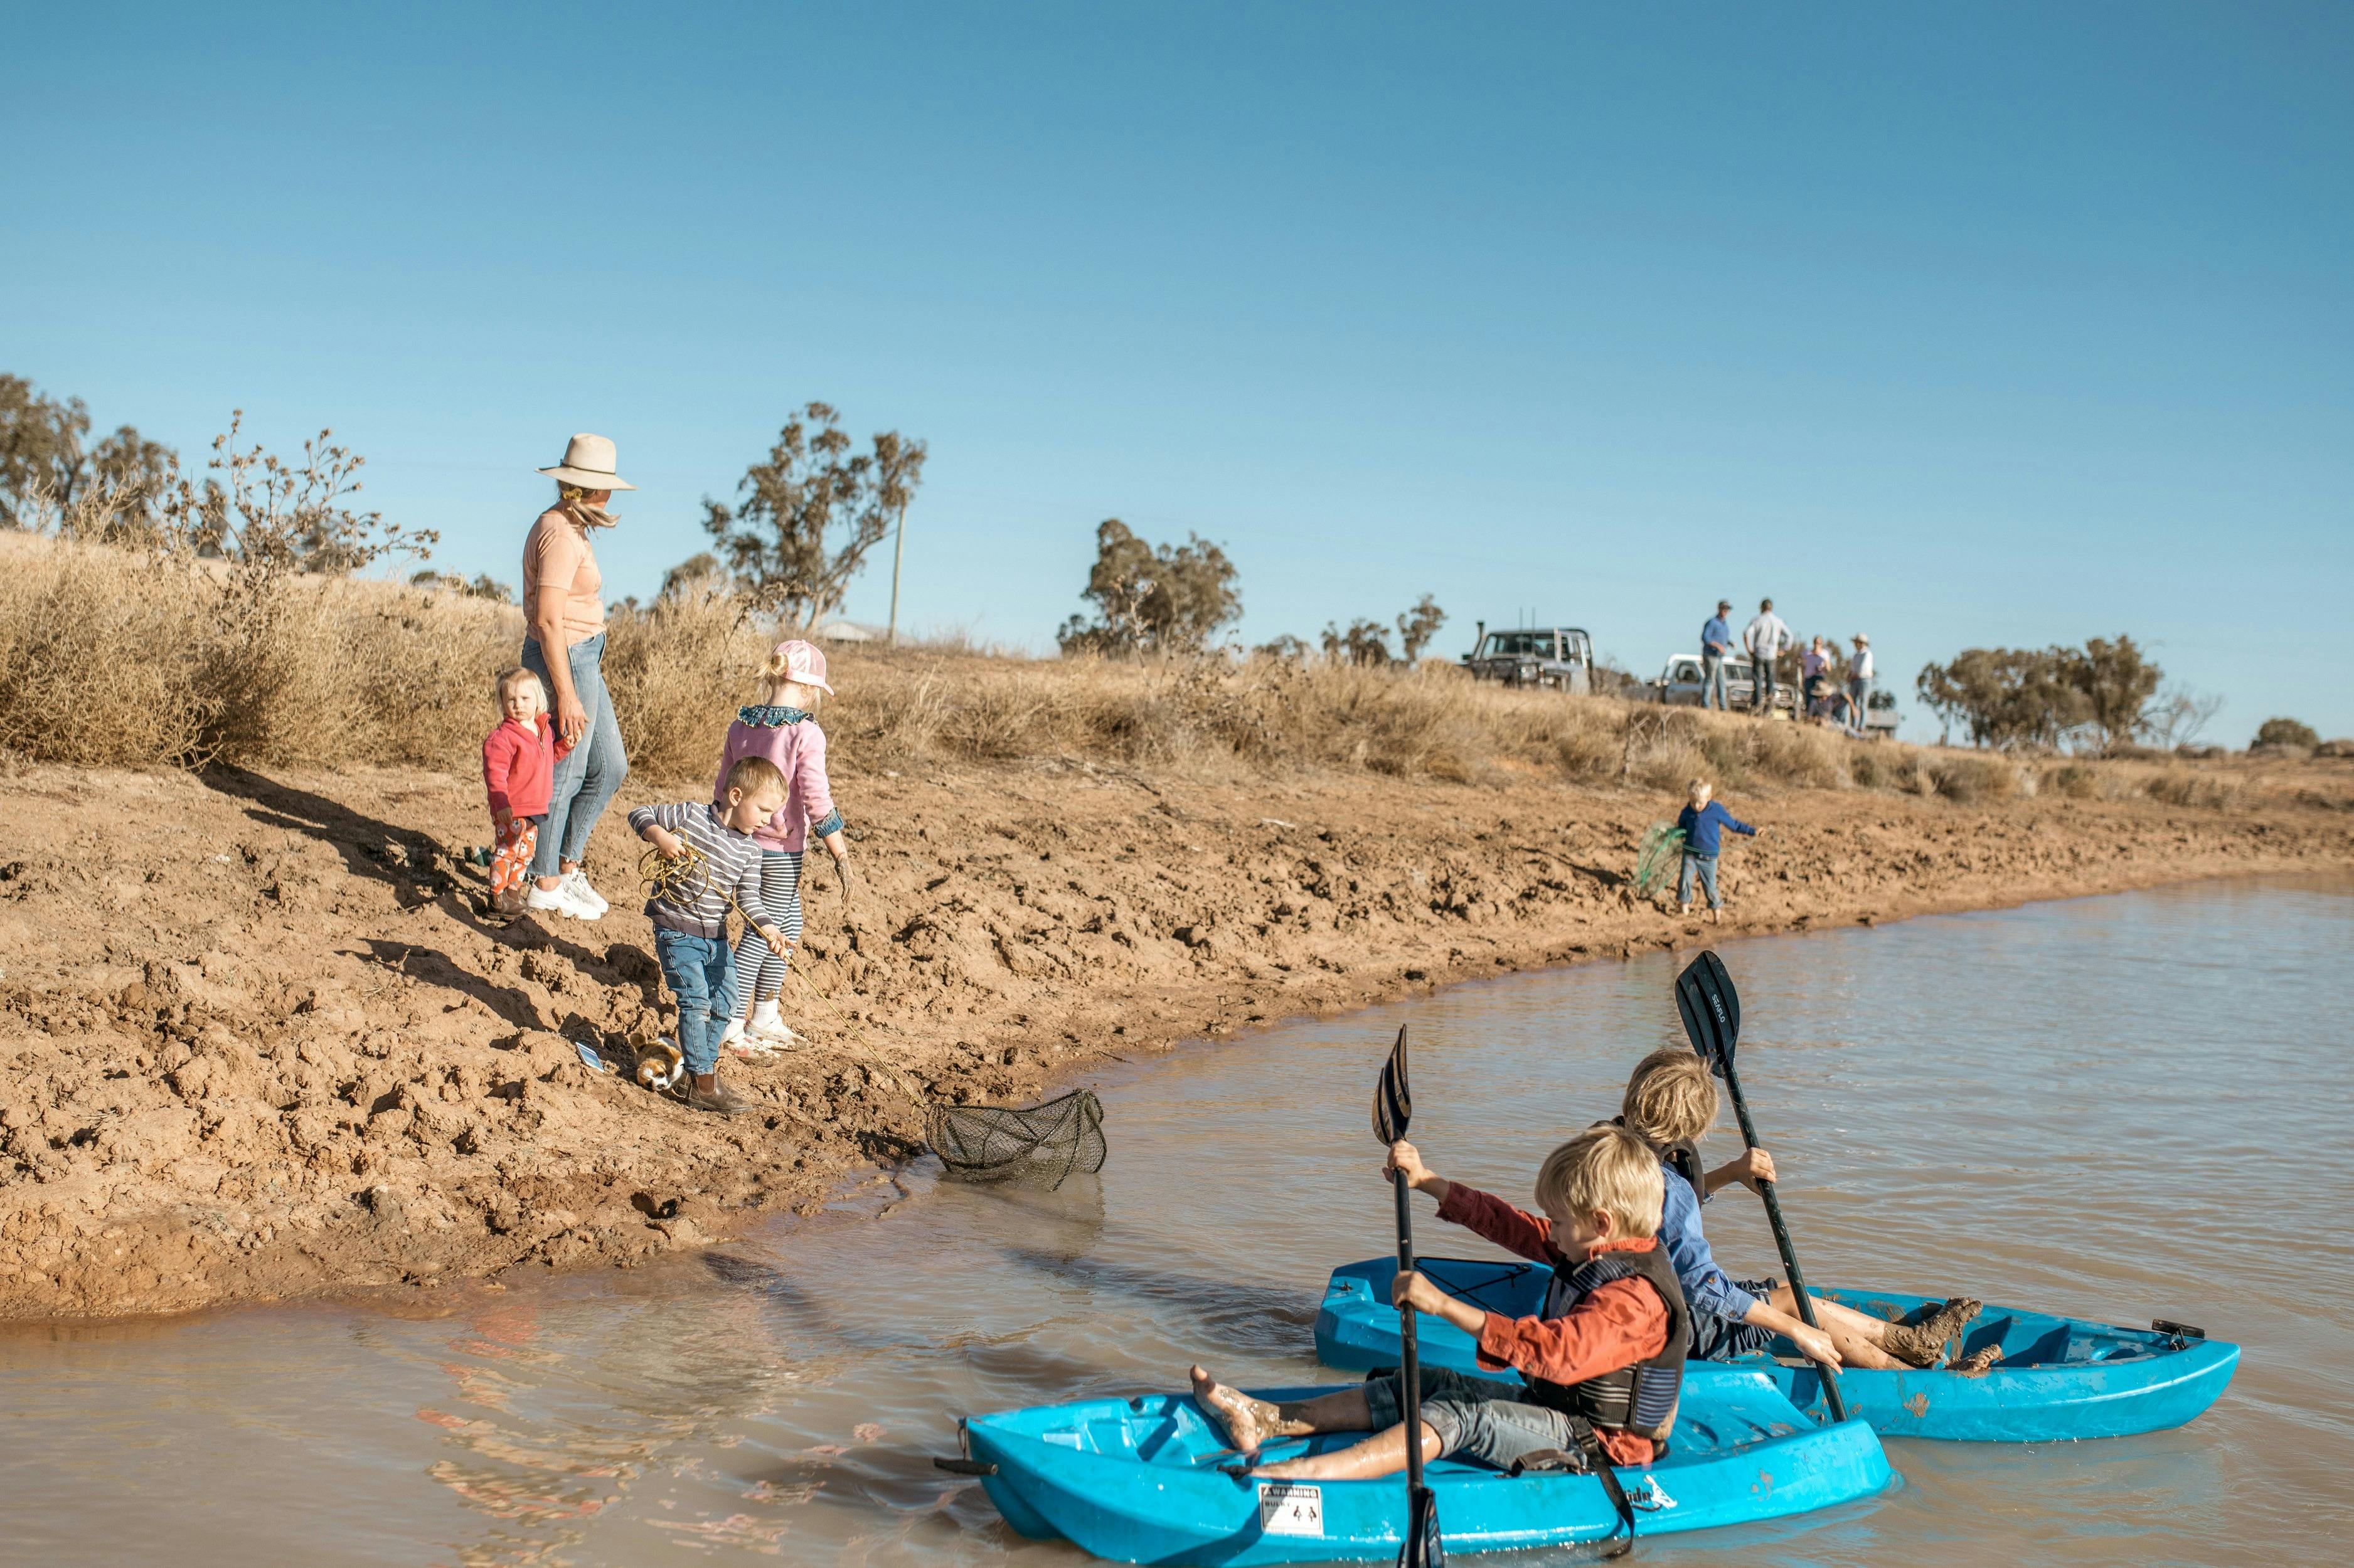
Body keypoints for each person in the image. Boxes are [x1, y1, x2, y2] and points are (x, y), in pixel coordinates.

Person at [1189, 1124, 1686, 1480]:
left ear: (1601, 1224)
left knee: (1463, 1413)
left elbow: (1556, 1354)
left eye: (1557, 1220)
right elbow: (1508, 1224)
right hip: (1557, 1411)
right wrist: (1427, 1181)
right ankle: (1269, 1419)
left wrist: (1445, 1305)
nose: (1549, 1231)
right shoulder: (1595, 1247)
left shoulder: (1634, 1300)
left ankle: (1309, 1472)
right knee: (1428, 1382)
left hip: (1598, 1447)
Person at [1617, 1047, 1989, 1371]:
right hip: (1669, 1331)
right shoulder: (1672, 1188)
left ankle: (1909, 1341)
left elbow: (1663, 1216)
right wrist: (1796, 1328)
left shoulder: (1612, 1155)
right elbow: (1704, 1286)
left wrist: (1731, 1173)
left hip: (1635, 1311)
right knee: (1791, 1301)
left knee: (1780, 1288)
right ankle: (1905, 1377)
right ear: (1697, 1126)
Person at [628, 756, 794, 1116]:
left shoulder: (752, 850)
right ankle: (704, 1083)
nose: (770, 820)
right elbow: (639, 813)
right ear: (736, 796)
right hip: (676, 929)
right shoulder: (690, 817)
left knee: (727, 1002)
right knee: (696, 1001)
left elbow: (748, 897)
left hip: (716, 937)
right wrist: (660, 836)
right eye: (764, 810)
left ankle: (696, 1070)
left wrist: (769, 928)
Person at [711, 639, 853, 1052]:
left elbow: (724, 787)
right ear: (809, 690)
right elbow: (815, 796)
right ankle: (730, 1022)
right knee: (761, 933)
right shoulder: (806, 732)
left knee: (788, 926)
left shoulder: (741, 726)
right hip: (780, 850)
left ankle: (765, 1015)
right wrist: (839, 851)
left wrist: (720, 835)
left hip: (744, 840)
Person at [521, 433, 635, 922]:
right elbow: (548, 619)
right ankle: (544, 883)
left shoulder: (570, 526)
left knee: (610, 766)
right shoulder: (561, 534)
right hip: (564, 658)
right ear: (595, 489)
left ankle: (565, 870)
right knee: (565, 770)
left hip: (585, 655)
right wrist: (565, 694)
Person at [479, 667, 571, 917]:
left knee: (525, 855)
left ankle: (513, 892)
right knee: (507, 851)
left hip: (536, 808)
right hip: (512, 808)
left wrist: (563, 747)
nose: (518, 705)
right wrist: (501, 804)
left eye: (525, 699)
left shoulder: (543, 730)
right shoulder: (503, 738)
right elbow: (495, 775)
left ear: (538, 700)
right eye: (511, 700)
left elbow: (547, 760)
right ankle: (497, 898)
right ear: (502, 702)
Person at [1674, 779, 1760, 921]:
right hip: (1690, 853)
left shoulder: (1716, 810)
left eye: (1700, 803)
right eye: (1692, 802)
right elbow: (1681, 828)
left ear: (1709, 797)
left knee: (1710, 886)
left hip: (1709, 857)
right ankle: (1684, 911)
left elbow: (1734, 825)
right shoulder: (1686, 812)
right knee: (1685, 880)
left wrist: (1753, 831)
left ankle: (1716, 915)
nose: (1696, 806)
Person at [1743, 598, 1791, 715]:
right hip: (1772, 655)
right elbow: (1790, 637)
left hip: (1759, 653)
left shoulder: (1758, 620)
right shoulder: (1778, 621)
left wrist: (1749, 649)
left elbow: (1746, 633)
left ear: (1762, 608)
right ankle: (1769, 708)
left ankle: (1758, 706)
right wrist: (1783, 650)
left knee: (1758, 681)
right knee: (1770, 681)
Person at [1699, 600, 1734, 711]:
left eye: (1727, 609)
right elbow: (1705, 638)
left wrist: (1729, 643)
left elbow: (1722, 638)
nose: (1725, 611)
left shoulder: (1725, 625)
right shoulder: (1712, 622)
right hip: (1711, 655)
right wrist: (1717, 646)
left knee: (1721, 681)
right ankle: (1706, 704)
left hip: (1719, 657)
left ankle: (1723, 706)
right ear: (1719, 609)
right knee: (1710, 680)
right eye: (1724, 609)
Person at [1848, 634, 1875, 731]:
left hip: (1865, 680)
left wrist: (1853, 676)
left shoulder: (1867, 654)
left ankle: (1861, 726)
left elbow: (1862, 670)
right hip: (1855, 680)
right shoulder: (1856, 655)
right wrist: (1850, 676)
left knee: (1863, 703)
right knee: (1853, 703)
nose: (1855, 645)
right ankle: (1853, 725)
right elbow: (1853, 668)